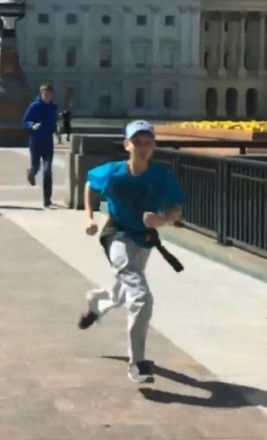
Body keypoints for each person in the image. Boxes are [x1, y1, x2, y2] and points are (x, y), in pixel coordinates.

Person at [78, 120, 184, 384]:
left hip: (144, 238)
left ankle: (97, 302)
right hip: (116, 234)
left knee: (122, 290)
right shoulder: (113, 173)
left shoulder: (161, 177)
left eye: (148, 142)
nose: (143, 147)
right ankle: (137, 363)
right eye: (137, 142)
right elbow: (90, 185)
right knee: (140, 297)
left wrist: (161, 221)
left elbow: (176, 209)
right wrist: (88, 217)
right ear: (127, 145)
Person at [22, 83, 59, 207]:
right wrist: (32, 125)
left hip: (48, 143)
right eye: (45, 94)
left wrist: (57, 130)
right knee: (36, 167)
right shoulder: (34, 106)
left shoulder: (53, 107)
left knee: (48, 171)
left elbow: (54, 123)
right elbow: (25, 120)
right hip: (36, 142)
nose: (47, 96)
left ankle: (47, 199)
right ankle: (31, 173)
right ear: (41, 94)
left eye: (49, 94)